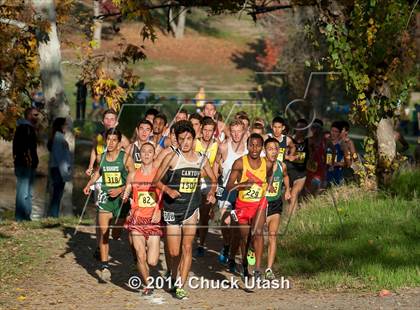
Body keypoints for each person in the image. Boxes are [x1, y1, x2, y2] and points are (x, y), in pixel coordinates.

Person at [154, 120, 216, 299]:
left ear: (193, 139)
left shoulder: (201, 158)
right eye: (182, 139)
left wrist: (211, 192)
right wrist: (168, 190)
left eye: (189, 138)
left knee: (187, 247)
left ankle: (181, 285)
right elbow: (156, 181)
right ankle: (173, 275)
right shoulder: (171, 158)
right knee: (174, 252)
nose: (186, 142)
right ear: (178, 140)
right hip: (172, 209)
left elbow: (213, 179)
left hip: (191, 209)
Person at [83, 129, 135, 282]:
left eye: (114, 140)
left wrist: (121, 189)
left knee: (116, 234)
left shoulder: (125, 158)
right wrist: (89, 184)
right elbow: (99, 172)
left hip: (121, 200)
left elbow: (133, 174)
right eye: (108, 140)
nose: (111, 143)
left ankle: (119, 230)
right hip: (105, 198)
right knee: (104, 233)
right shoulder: (101, 157)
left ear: (119, 143)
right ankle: (105, 267)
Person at [226, 133, 272, 279]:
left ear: (262, 148)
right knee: (244, 237)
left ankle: (257, 269)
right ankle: (244, 264)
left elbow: (269, 175)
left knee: (258, 232)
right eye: (251, 145)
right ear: (247, 146)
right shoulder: (239, 163)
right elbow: (228, 187)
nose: (254, 148)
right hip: (242, 206)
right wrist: (242, 185)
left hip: (259, 204)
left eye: (258, 145)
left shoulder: (267, 163)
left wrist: (268, 186)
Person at [124, 142, 162, 296]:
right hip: (137, 221)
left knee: (152, 261)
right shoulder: (133, 175)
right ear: (139, 155)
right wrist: (125, 197)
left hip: (153, 221)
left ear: (154, 155)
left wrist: (158, 209)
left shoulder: (159, 174)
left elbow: (164, 195)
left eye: (149, 152)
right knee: (140, 254)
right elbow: (127, 192)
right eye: (143, 152)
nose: (146, 154)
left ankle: (146, 269)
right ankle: (148, 284)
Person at [213, 120, 247, 271]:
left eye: (239, 131)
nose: (236, 134)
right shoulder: (224, 146)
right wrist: (214, 184)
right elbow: (215, 164)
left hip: (243, 192)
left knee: (236, 226)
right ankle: (226, 246)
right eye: (233, 131)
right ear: (229, 131)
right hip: (227, 190)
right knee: (226, 223)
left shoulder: (249, 148)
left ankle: (232, 257)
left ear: (244, 131)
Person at [264, 137, 291, 280]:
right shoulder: (260, 165)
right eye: (270, 149)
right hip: (261, 204)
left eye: (275, 149)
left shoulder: (282, 166)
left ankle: (268, 269)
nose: (273, 152)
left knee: (272, 235)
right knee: (256, 235)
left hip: (275, 203)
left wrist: (287, 190)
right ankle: (250, 249)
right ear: (265, 151)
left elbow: (286, 177)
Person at [194, 117, 219, 257]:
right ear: (201, 129)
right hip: (194, 182)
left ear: (214, 132)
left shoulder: (217, 146)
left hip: (209, 182)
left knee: (204, 216)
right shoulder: (194, 143)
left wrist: (213, 191)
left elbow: (216, 168)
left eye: (210, 131)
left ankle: (201, 245)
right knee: (192, 215)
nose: (208, 133)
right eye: (205, 130)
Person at [13, 107, 39, 221]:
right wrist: (28, 160)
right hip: (24, 164)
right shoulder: (24, 128)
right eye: (35, 115)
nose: (37, 117)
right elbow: (22, 148)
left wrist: (34, 161)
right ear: (28, 115)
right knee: (22, 192)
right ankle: (20, 217)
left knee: (29, 192)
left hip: (30, 164)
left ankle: (27, 216)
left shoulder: (30, 128)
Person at [46, 118, 73, 217]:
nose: (67, 126)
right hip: (58, 169)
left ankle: (54, 215)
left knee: (58, 194)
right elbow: (59, 157)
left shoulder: (59, 137)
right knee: (57, 194)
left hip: (59, 169)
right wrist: (64, 172)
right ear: (60, 126)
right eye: (65, 124)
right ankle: (53, 215)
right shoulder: (58, 138)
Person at [285, 119, 309, 215]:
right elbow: (281, 153)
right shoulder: (289, 140)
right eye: (299, 127)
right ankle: (292, 218)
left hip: (301, 174)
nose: (301, 130)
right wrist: (289, 156)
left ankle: (291, 220)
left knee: (294, 193)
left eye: (304, 128)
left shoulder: (308, 141)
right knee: (289, 198)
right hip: (288, 173)